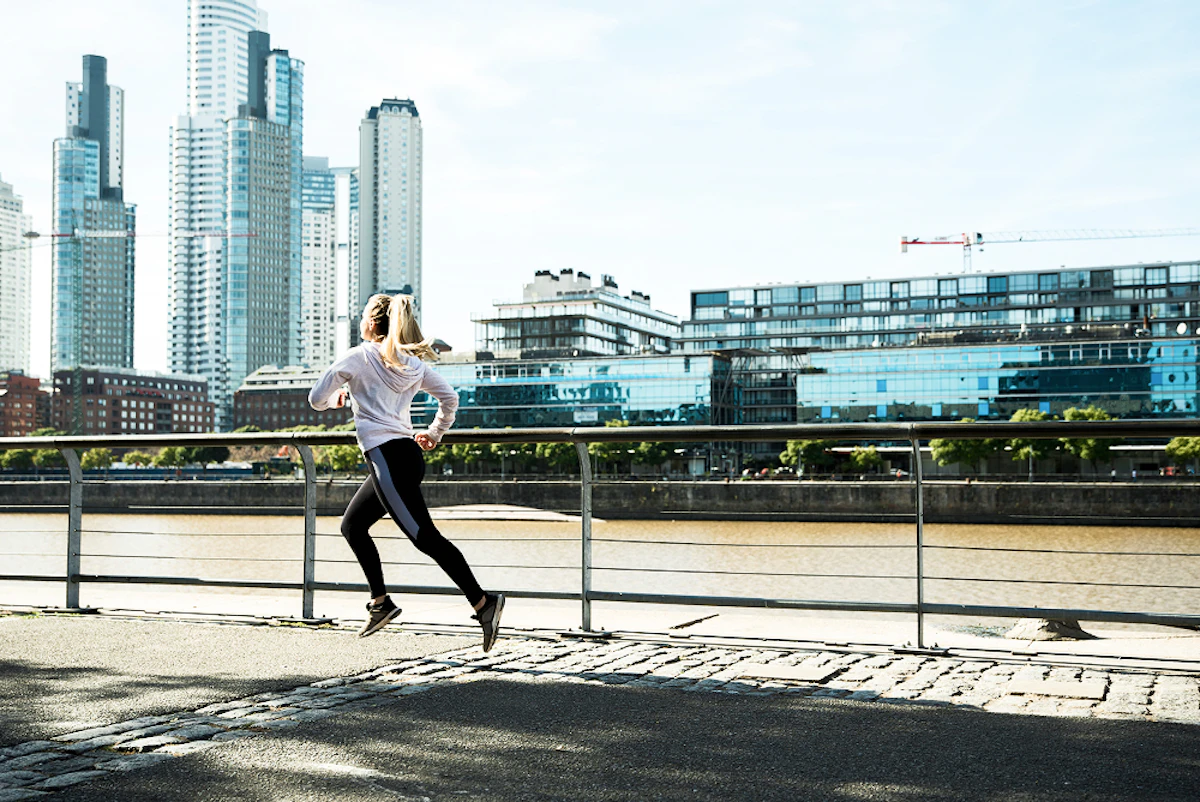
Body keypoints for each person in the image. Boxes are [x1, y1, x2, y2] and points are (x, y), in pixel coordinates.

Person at [308, 293, 504, 648]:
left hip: (386, 458)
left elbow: (315, 398)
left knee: (424, 537)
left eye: (364, 315)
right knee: (352, 525)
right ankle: (380, 603)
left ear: (372, 322)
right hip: (406, 455)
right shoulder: (414, 365)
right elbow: (450, 399)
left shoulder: (358, 357)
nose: (361, 319)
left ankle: (483, 602)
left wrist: (337, 397)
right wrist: (433, 433)